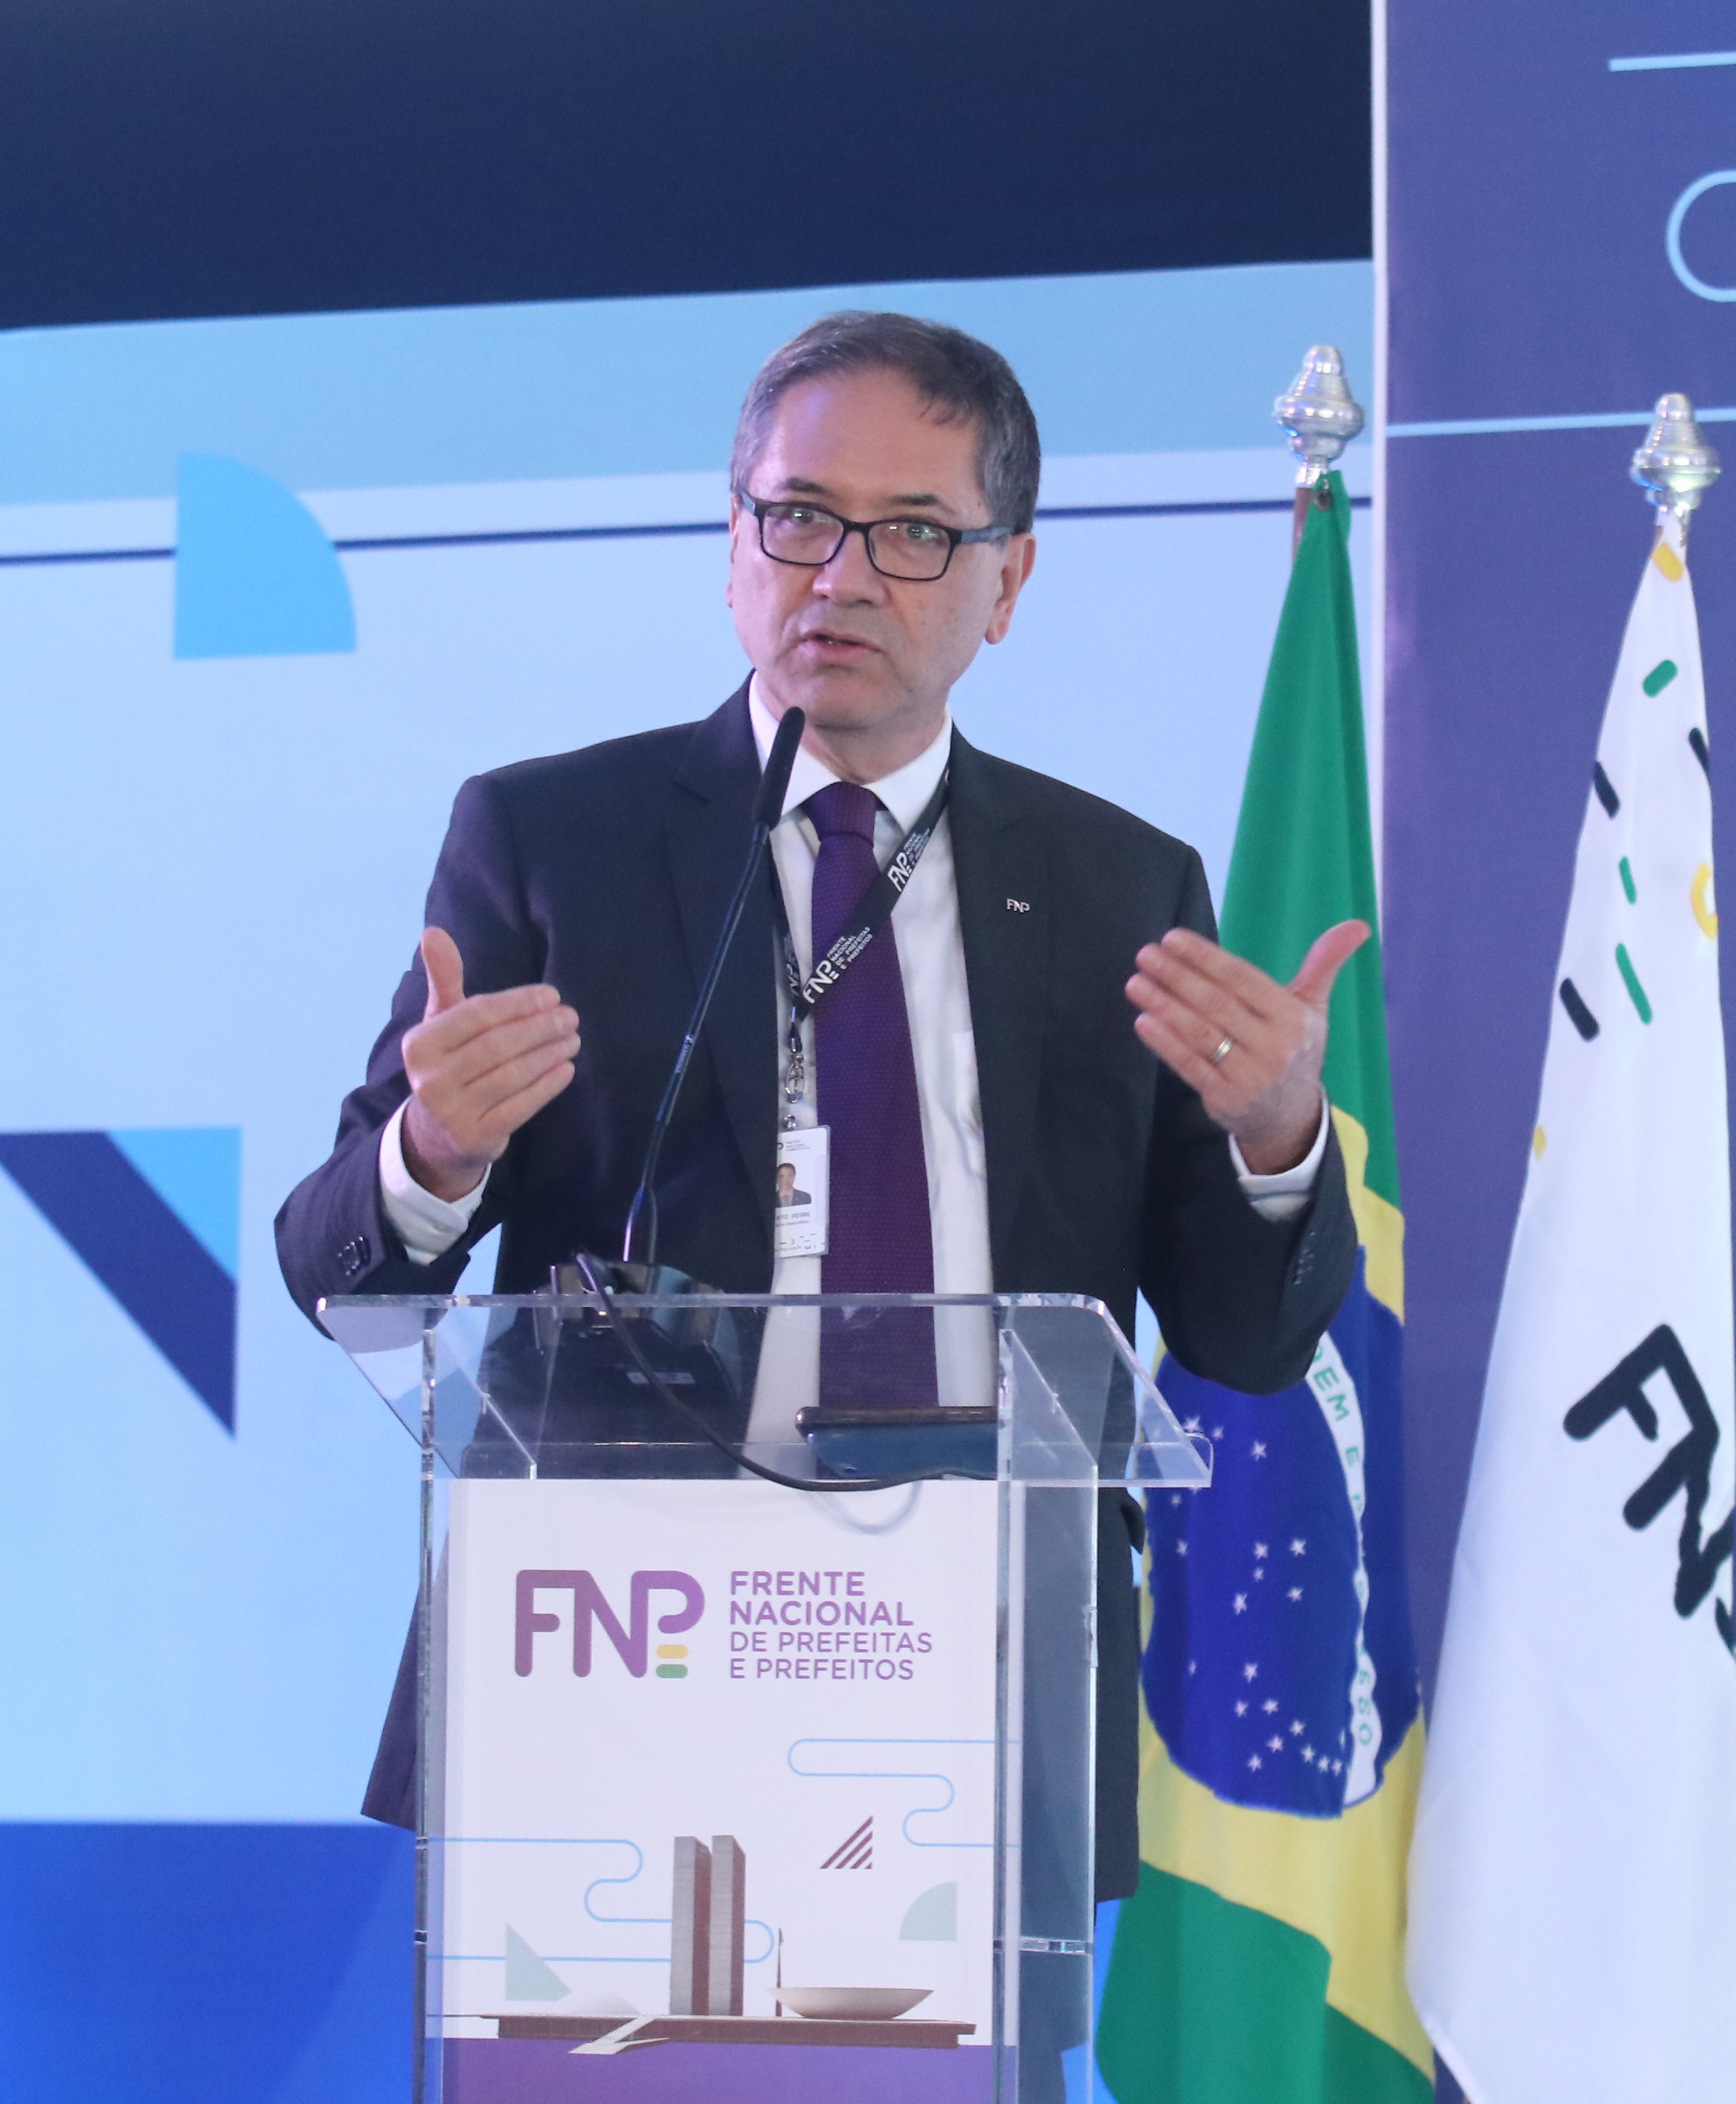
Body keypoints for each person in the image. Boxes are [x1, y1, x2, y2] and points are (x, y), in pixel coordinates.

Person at [275, 311, 1367, 1933]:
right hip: (614, 1650)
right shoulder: (552, 841)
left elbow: (1244, 1340)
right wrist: (431, 1159)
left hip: (979, 1660)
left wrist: (1276, 1144)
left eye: (915, 532)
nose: (842, 576)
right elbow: (330, 1263)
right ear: (733, 547)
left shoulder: (1118, 886)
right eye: (799, 517)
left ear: (1010, 582)